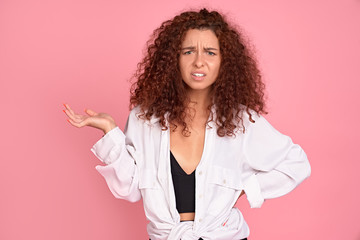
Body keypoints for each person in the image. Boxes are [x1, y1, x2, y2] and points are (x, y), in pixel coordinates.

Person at [63, 8, 311, 240]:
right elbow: (129, 189)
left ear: (225, 62)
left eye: (210, 53)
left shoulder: (242, 121)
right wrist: (110, 131)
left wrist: (247, 188)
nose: (199, 62)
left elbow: (297, 164)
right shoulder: (143, 119)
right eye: (188, 51)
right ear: (173, 59)